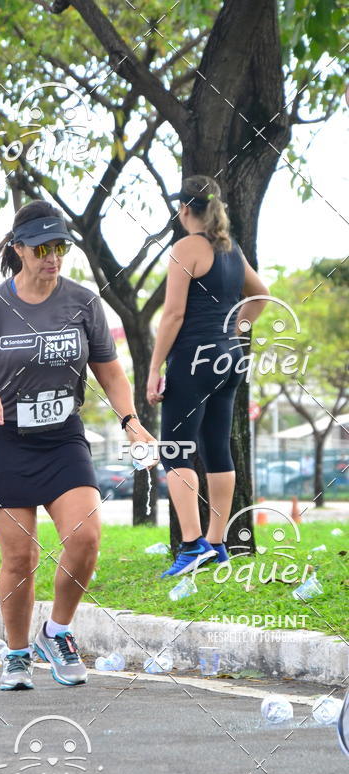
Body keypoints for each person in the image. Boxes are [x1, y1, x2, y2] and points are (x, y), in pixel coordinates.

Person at [0, 200, 158, 691]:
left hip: (62, 438)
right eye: (42, 247)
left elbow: (108, 368)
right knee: (20, 557)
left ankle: (56, 632)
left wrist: (129, 417)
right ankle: (17, 654)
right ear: (18, 249)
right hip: (4, 441)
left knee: (85, 539)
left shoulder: (83, 302)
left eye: (60, 246)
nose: (52, 256)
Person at [146, 174, 270, 578]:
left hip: (192, 360)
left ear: (184, 211)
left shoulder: (186, 248)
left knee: (175, 449)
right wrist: (236, 331)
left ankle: (191, 544)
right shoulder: (230, 249)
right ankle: (218, 544)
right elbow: (262, 295)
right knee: (217, 448)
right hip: (229, 359)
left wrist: (153, 368)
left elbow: (174, 314)